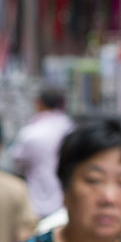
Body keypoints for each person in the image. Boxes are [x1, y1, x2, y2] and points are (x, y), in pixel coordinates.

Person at [10, 85, 74, 219]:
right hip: (65, 202)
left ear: (39, 103)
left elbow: (17, 162)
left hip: (36, 203)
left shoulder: (31, 133)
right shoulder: (70, 129)